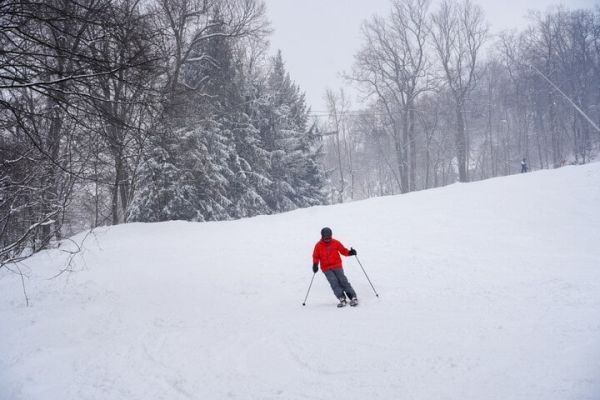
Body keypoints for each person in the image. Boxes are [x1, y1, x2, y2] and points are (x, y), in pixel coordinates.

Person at [312, 227, 358, 307]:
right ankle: (341, 297)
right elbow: (315, 256)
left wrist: (350, 252)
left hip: (337, 265)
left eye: (329, 237)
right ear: (322, 236)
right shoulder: (318, 246)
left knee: (343, 280)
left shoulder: (335, 242)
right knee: (333, 282)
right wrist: (315, 264)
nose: (327, 239)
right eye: (326, 238)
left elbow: (343, 250)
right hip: (326, 268)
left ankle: (352, 296)